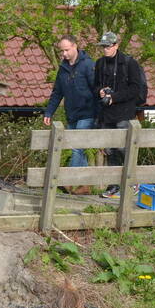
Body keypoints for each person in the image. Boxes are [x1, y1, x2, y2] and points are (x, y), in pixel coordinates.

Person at [44, 35, 98, 191]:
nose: (64, 54)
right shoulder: (63, 69)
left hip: (87, 113)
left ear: (75, 46)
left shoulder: (88, 65)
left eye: (67, 50)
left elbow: (96, 90)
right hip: (72, 114)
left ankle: (67, 180)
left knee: (76, 147)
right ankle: (85, 185)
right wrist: (49, 112)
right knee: (77, 148)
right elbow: (57, 93)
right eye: (62, 51)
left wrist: (99, 115)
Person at [94, 32, 143, 198]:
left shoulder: (130, 63)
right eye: (103, 46)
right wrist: (100, 92)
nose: (105, 49)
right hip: (106, 114)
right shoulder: (99, 63)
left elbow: (135, 90)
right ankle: (113, 186)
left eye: (108, 46)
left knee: (124, 148)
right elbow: (94, 86)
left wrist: (114, 97)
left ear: (116, 45)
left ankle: (133, 181)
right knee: (109, 150)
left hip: (124, 113)